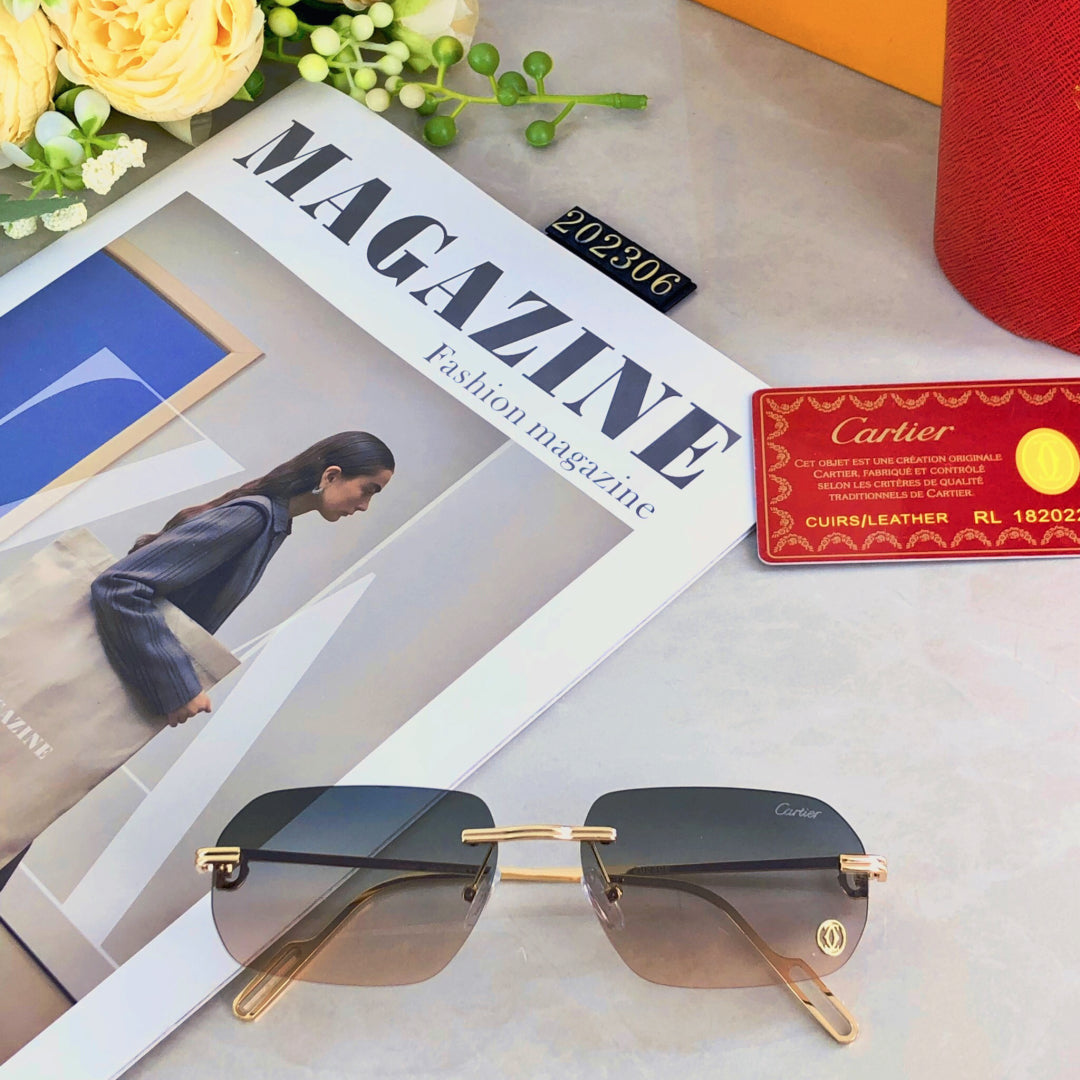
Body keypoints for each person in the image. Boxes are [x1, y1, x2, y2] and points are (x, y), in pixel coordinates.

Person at [91, 431, 394, 726]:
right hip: (101, 674)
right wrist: (179, 686)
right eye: (368, 490)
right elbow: (120, 585)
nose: (365, 506)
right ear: (331, 476)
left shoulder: (270, 525)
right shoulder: (252, 518)